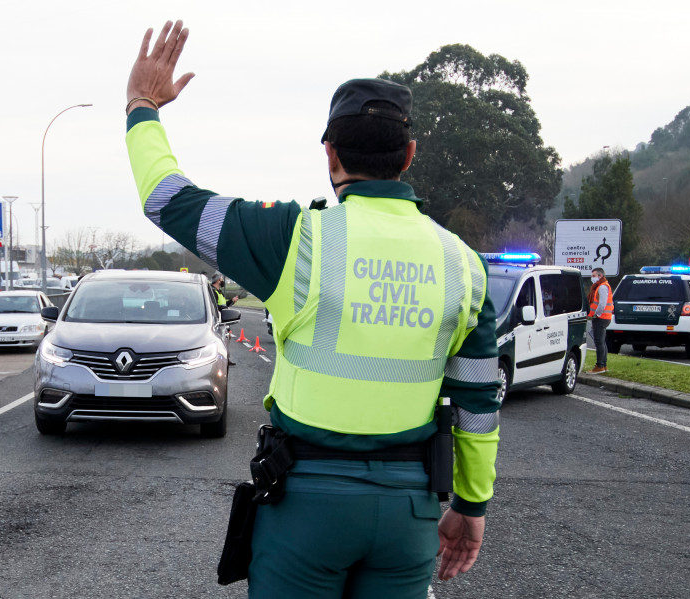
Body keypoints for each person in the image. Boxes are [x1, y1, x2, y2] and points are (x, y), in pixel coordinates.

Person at [124, 21, 501, 597]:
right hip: (410, 510)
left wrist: (143, 107)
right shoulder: (464, 265)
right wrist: (472, 505)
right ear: (410, 154)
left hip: (307, 505)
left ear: (330, 153)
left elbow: (167, 198)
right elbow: (477, 402)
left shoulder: (294, 240)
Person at [586, 267, 613, 373]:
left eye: (593, 276)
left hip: (601, 318)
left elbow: (602, 304)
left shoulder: (602, 287)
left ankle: (600, 366)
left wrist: (596, 315)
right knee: (602, 342)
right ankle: (603, 365)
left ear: (600, 276)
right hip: (604, 317)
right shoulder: (601, 286)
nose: (592, 278)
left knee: (599, 342)